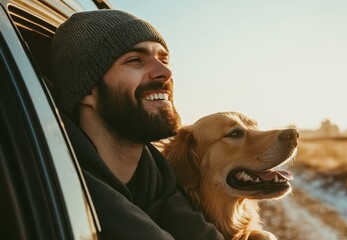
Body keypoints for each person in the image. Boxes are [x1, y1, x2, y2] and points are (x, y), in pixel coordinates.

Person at [50, 9, 224, 240]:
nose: (165, 72)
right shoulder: (60, 190)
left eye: (163, 59)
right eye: (135, 60)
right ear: (87, 90)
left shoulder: (159, 182)